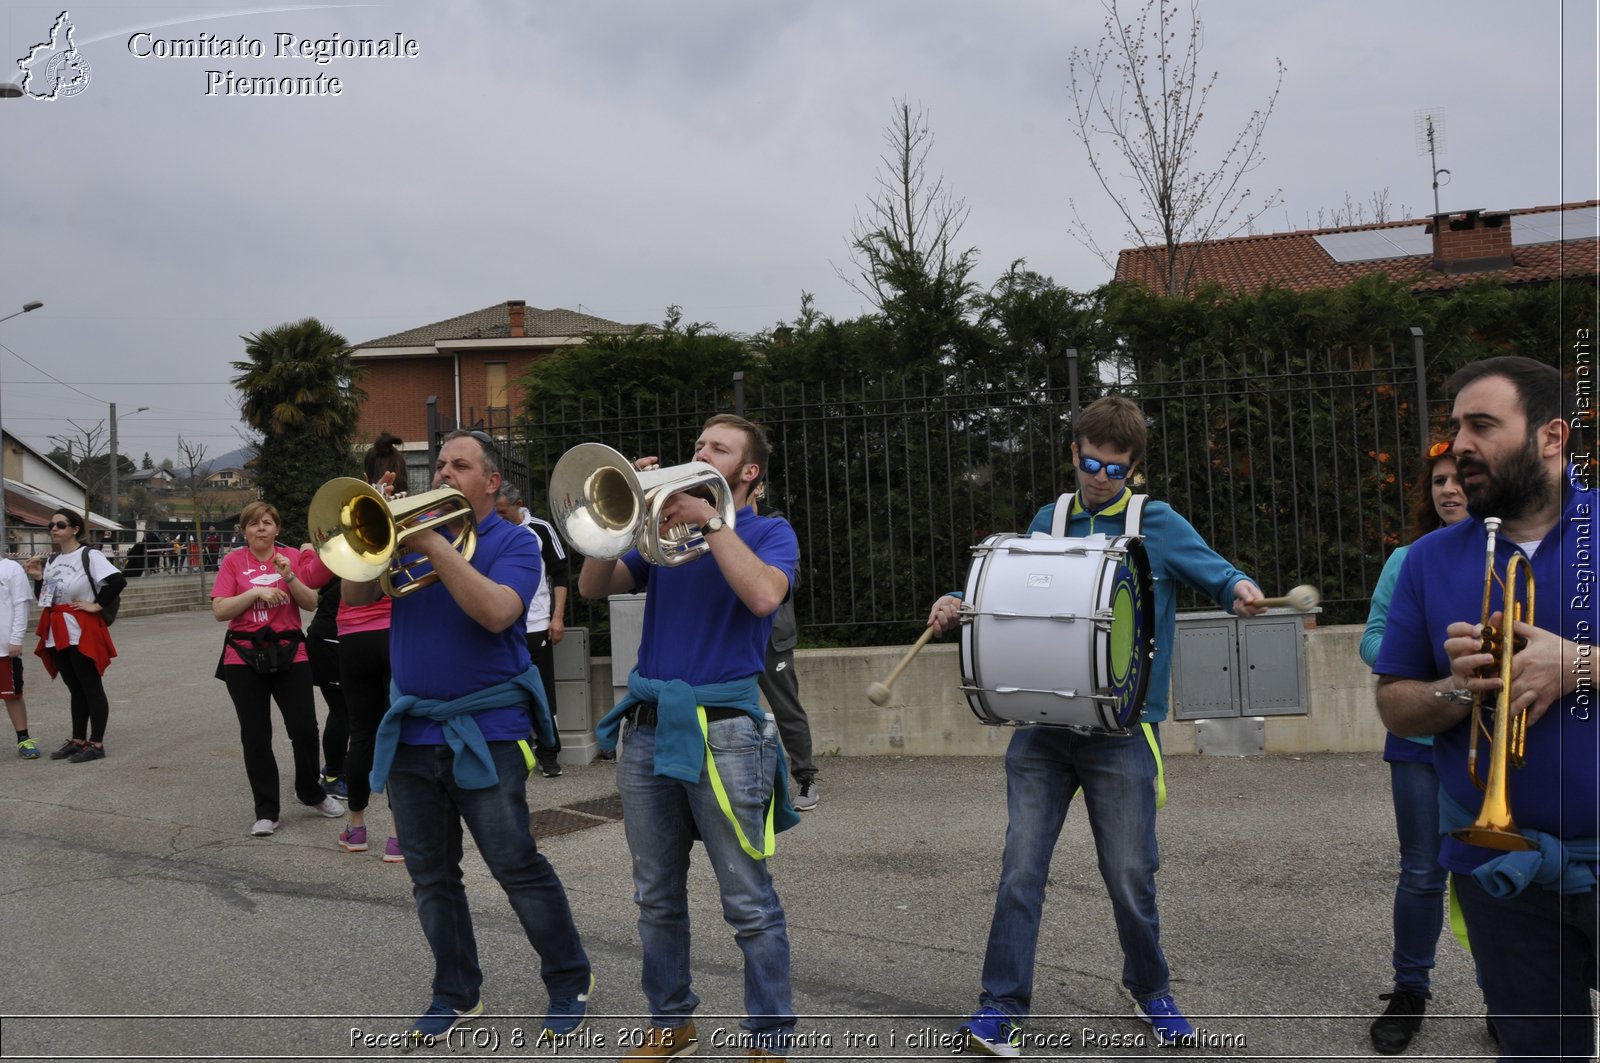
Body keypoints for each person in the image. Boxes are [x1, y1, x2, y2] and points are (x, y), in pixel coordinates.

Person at [926, 395, 1266, 1053]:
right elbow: (1006, 598)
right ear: (1072, 453)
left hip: (1122, 733)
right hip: (1044, 726)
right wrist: (958, 604)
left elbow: (1219, 574)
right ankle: (1000, 1006)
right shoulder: (1048, 518)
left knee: (1130, 878)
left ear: (1134, 466)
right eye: (1089, 462)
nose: (1099, 476)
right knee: (1021, 868)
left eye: (1114, 467)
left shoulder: (1155, 523)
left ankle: (1150, 988)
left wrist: (1240, 589)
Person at [1375, 356, 1598, 1063]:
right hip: (1500, 874)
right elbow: (1394, 704)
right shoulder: (1427, 560)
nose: (1457, 445)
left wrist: (1580, 664)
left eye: (1481, 426)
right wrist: (1458, 690)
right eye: (1452, 429)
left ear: (1552, 437)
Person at [347, 429, 593, 1046]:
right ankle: (456, 992)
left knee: (515, 863)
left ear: (491, 481)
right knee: (431, 875)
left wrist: (431, 543)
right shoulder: (404, 542)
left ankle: (568, 983)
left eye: (460, 466)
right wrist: (367, 543)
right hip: (412, 731)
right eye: (440, 466)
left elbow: (498, 613)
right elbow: (351, 593)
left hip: (489, 730)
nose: (444, 474)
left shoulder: (515, 541)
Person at [578, 413, 801, 1061]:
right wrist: (618, 524)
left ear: (748, 471)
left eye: (719, 448)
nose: (701, 451)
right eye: (699, 442)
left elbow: (763, 597)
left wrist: (710, 519)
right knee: (654, 895)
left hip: (728, 732)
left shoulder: (769, 531)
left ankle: (769, 1039)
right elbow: (595, 587)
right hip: (648, 728)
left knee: (747, 898)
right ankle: (670, 1021)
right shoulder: (660, 537)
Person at [1360, 442, 1474, 1054]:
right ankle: (1410, 990)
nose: (1448, 490)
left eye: (1458, 479)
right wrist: (1419, 665)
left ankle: (1505, 991)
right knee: (1424, 872)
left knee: (1494, 868)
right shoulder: (1407, 559)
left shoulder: (1506, 555)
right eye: (1438, 482)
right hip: (1422, 740)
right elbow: (1373, 638)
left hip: (1495, 742)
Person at [300, 431, 410, 861]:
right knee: (401, 731)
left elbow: (311, 579)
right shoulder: (413, 514)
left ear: (363, 477)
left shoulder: (354, 515)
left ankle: (357, 828)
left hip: (353, 638)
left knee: (362, 730)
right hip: (398, 635)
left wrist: (312, 550)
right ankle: (399, 834)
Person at [211, 501, 344, 836]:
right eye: (253, 523)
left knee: (303, 728)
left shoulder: (291, 557)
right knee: (255, 734)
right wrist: (255, 591)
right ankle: (266, 810)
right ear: (243, 530)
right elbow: (220, 609)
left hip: (290, 650)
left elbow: (312, 603)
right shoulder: (232, 561)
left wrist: (288, 575)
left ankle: (310, 791)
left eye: (267, 522)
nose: (260, 528)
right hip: (242, 654)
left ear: (277, 529)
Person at [29, 508, 127, 764]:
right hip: (56, 630)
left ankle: (96, 742)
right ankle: (77, 739)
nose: (54, 529)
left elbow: (117, 581)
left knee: (90, 685)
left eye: (60, 525)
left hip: (81, 630)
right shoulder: (51, 560)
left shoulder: (89, 555)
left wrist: (97, 605)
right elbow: (46, 598)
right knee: (74, 687)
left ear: (75, 529)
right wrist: (39, 578)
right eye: (51, 525)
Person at [752, 490, 818, 812]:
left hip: (771, 636)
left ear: (760, 487)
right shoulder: (716, 524)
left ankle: (806, 778)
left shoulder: (775, 525)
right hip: (730, 636)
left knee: (786, 707)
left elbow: (794, 579)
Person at [496, 490, 568, 778]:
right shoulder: (488, 529)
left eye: (503, 511)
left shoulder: (540, 529)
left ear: (518, 504)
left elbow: (560, 573)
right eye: (495, 511)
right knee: (505, 693)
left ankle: (549, 753)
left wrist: (558, 617)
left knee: (542, 693)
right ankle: (514, 752)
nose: (498, 516)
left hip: (537, 624)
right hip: (502, 627)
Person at [2, 554, 37, 758]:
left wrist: (16, 638)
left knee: (13, 695)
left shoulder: (10, 568)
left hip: (4, 646)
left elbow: (21, 604)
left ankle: (23, 739)